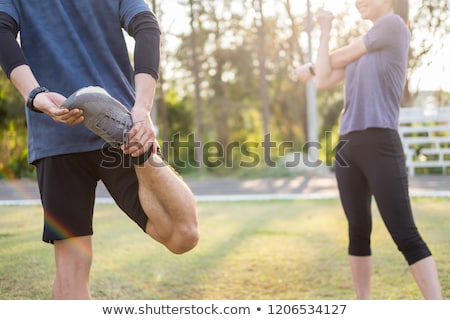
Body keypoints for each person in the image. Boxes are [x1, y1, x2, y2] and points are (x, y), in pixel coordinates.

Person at [0, 0, 199, 299]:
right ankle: (140, 146)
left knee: (183, 234)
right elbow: (146, 25)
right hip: (60, 136)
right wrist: (37, 95)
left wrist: (35, 95)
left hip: (118, 129)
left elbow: (146, 26)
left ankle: (141, 150)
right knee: (70, 278)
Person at [297, 0, 442, 299]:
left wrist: (311, 66)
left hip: (379, 142)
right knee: (358, 231)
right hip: (347, 146)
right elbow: (325, 79)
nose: (357, 2)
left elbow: (331, 63)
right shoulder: (362, 46)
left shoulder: (392, 26)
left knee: (405, 233)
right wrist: (325, 31)